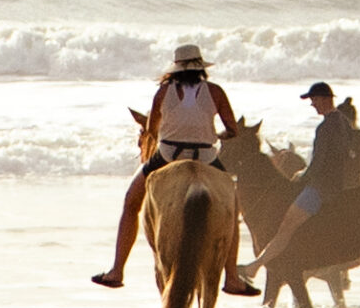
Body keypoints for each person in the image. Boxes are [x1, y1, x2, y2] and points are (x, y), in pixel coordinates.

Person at [91, 44, 259, 295]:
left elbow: (151, 129)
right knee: (232, 210)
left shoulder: (163, 92)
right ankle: (232, 277)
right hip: (206, 157)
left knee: (130, 203)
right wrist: (215, 134)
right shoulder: (215, 92)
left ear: (176, 68)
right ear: (201, 68)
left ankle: (117, 271)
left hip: (168, 155)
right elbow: (232, 130)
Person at [238, 81, 351, 279]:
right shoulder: (343, 121)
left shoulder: (325, 127)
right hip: (338, 182)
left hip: (321, 187)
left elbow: (318, 162)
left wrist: (302, 179)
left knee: (286, 225)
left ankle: (255, 266)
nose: (312, 104)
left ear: (325, 99)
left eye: (314, 100)